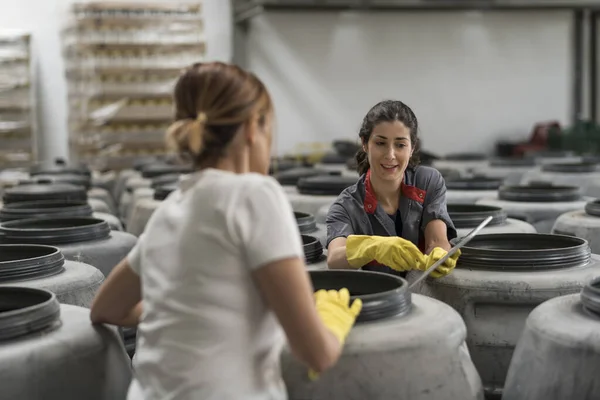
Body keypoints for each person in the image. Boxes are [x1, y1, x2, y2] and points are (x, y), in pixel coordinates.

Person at [89, 62, 362, 400]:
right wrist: (332, 321)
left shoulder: (170, 208)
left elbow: (106, 309)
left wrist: (184, 310)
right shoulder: (254, 195)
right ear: (251, 128)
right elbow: (316, 354)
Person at [326, 100, 459, 277]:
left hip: (427, 293)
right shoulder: (346, 206)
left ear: (412, 148)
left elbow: (436, 240)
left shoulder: (428, 182)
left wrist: (439, 254)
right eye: (380, 143)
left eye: (400, 145)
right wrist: (373, 247)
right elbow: (334, 258)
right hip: (376, 297)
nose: (390, 155)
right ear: (365, 144)